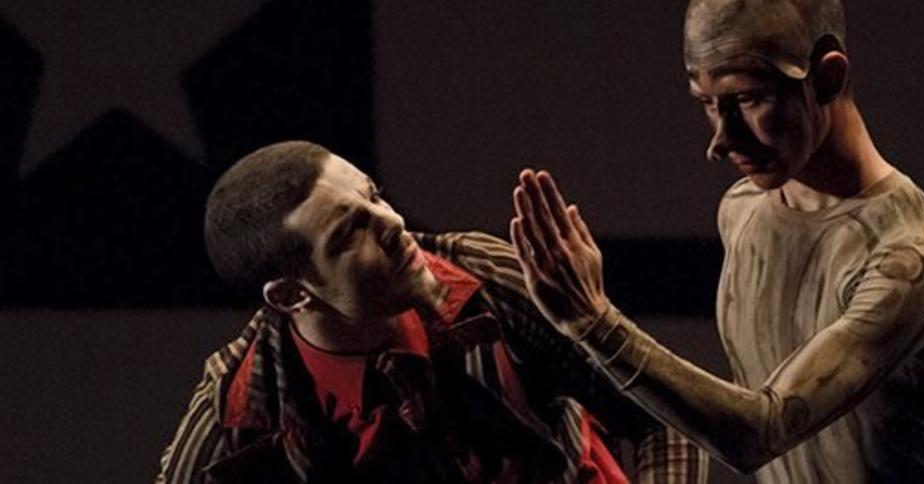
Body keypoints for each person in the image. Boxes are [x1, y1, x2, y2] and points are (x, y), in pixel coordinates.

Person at [509, 0, 924, 483]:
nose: (721, 140)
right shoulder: (742, 214)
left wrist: (595, 322)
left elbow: (762, 430)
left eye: (749, 99)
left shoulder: (912, 256)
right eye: (708, 104)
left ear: (827, 78)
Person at [155, 141, 708, 483]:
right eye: (351, 230)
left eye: (373, 195)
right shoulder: (243, 407)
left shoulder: (487, 280)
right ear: (290, 296)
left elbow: (663, 417)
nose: (393, 222)